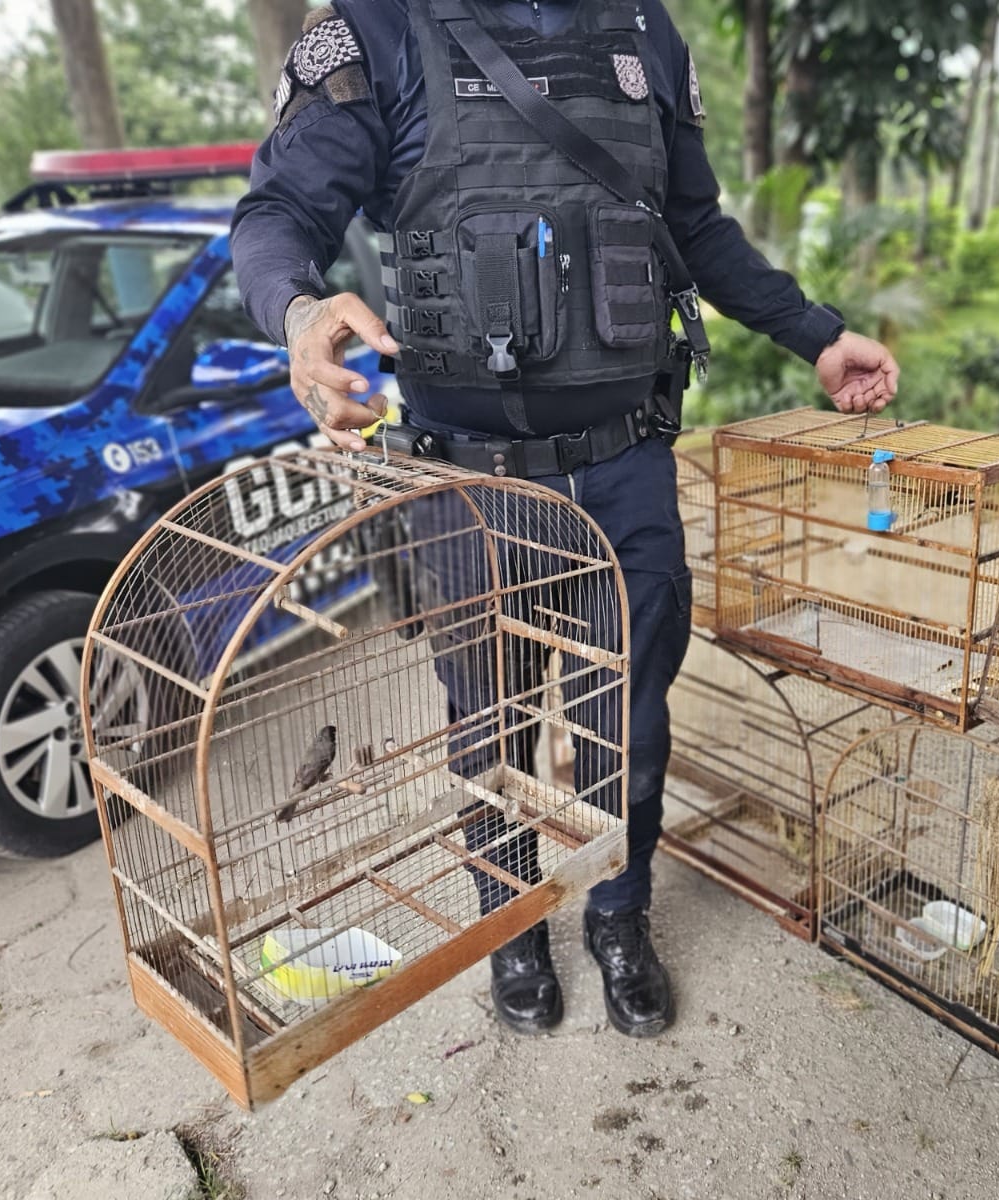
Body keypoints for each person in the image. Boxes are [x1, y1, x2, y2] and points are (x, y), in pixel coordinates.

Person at [231, 0, 899, 1040]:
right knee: (490, 720)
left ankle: (618, 914)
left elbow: (694, 226)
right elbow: (276, 217)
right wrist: (299, 313)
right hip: (467, 485)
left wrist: (814, 335)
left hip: (624, 464)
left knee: (624, 718)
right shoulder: (374, 32)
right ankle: (512, 925)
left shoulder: (644, 30)